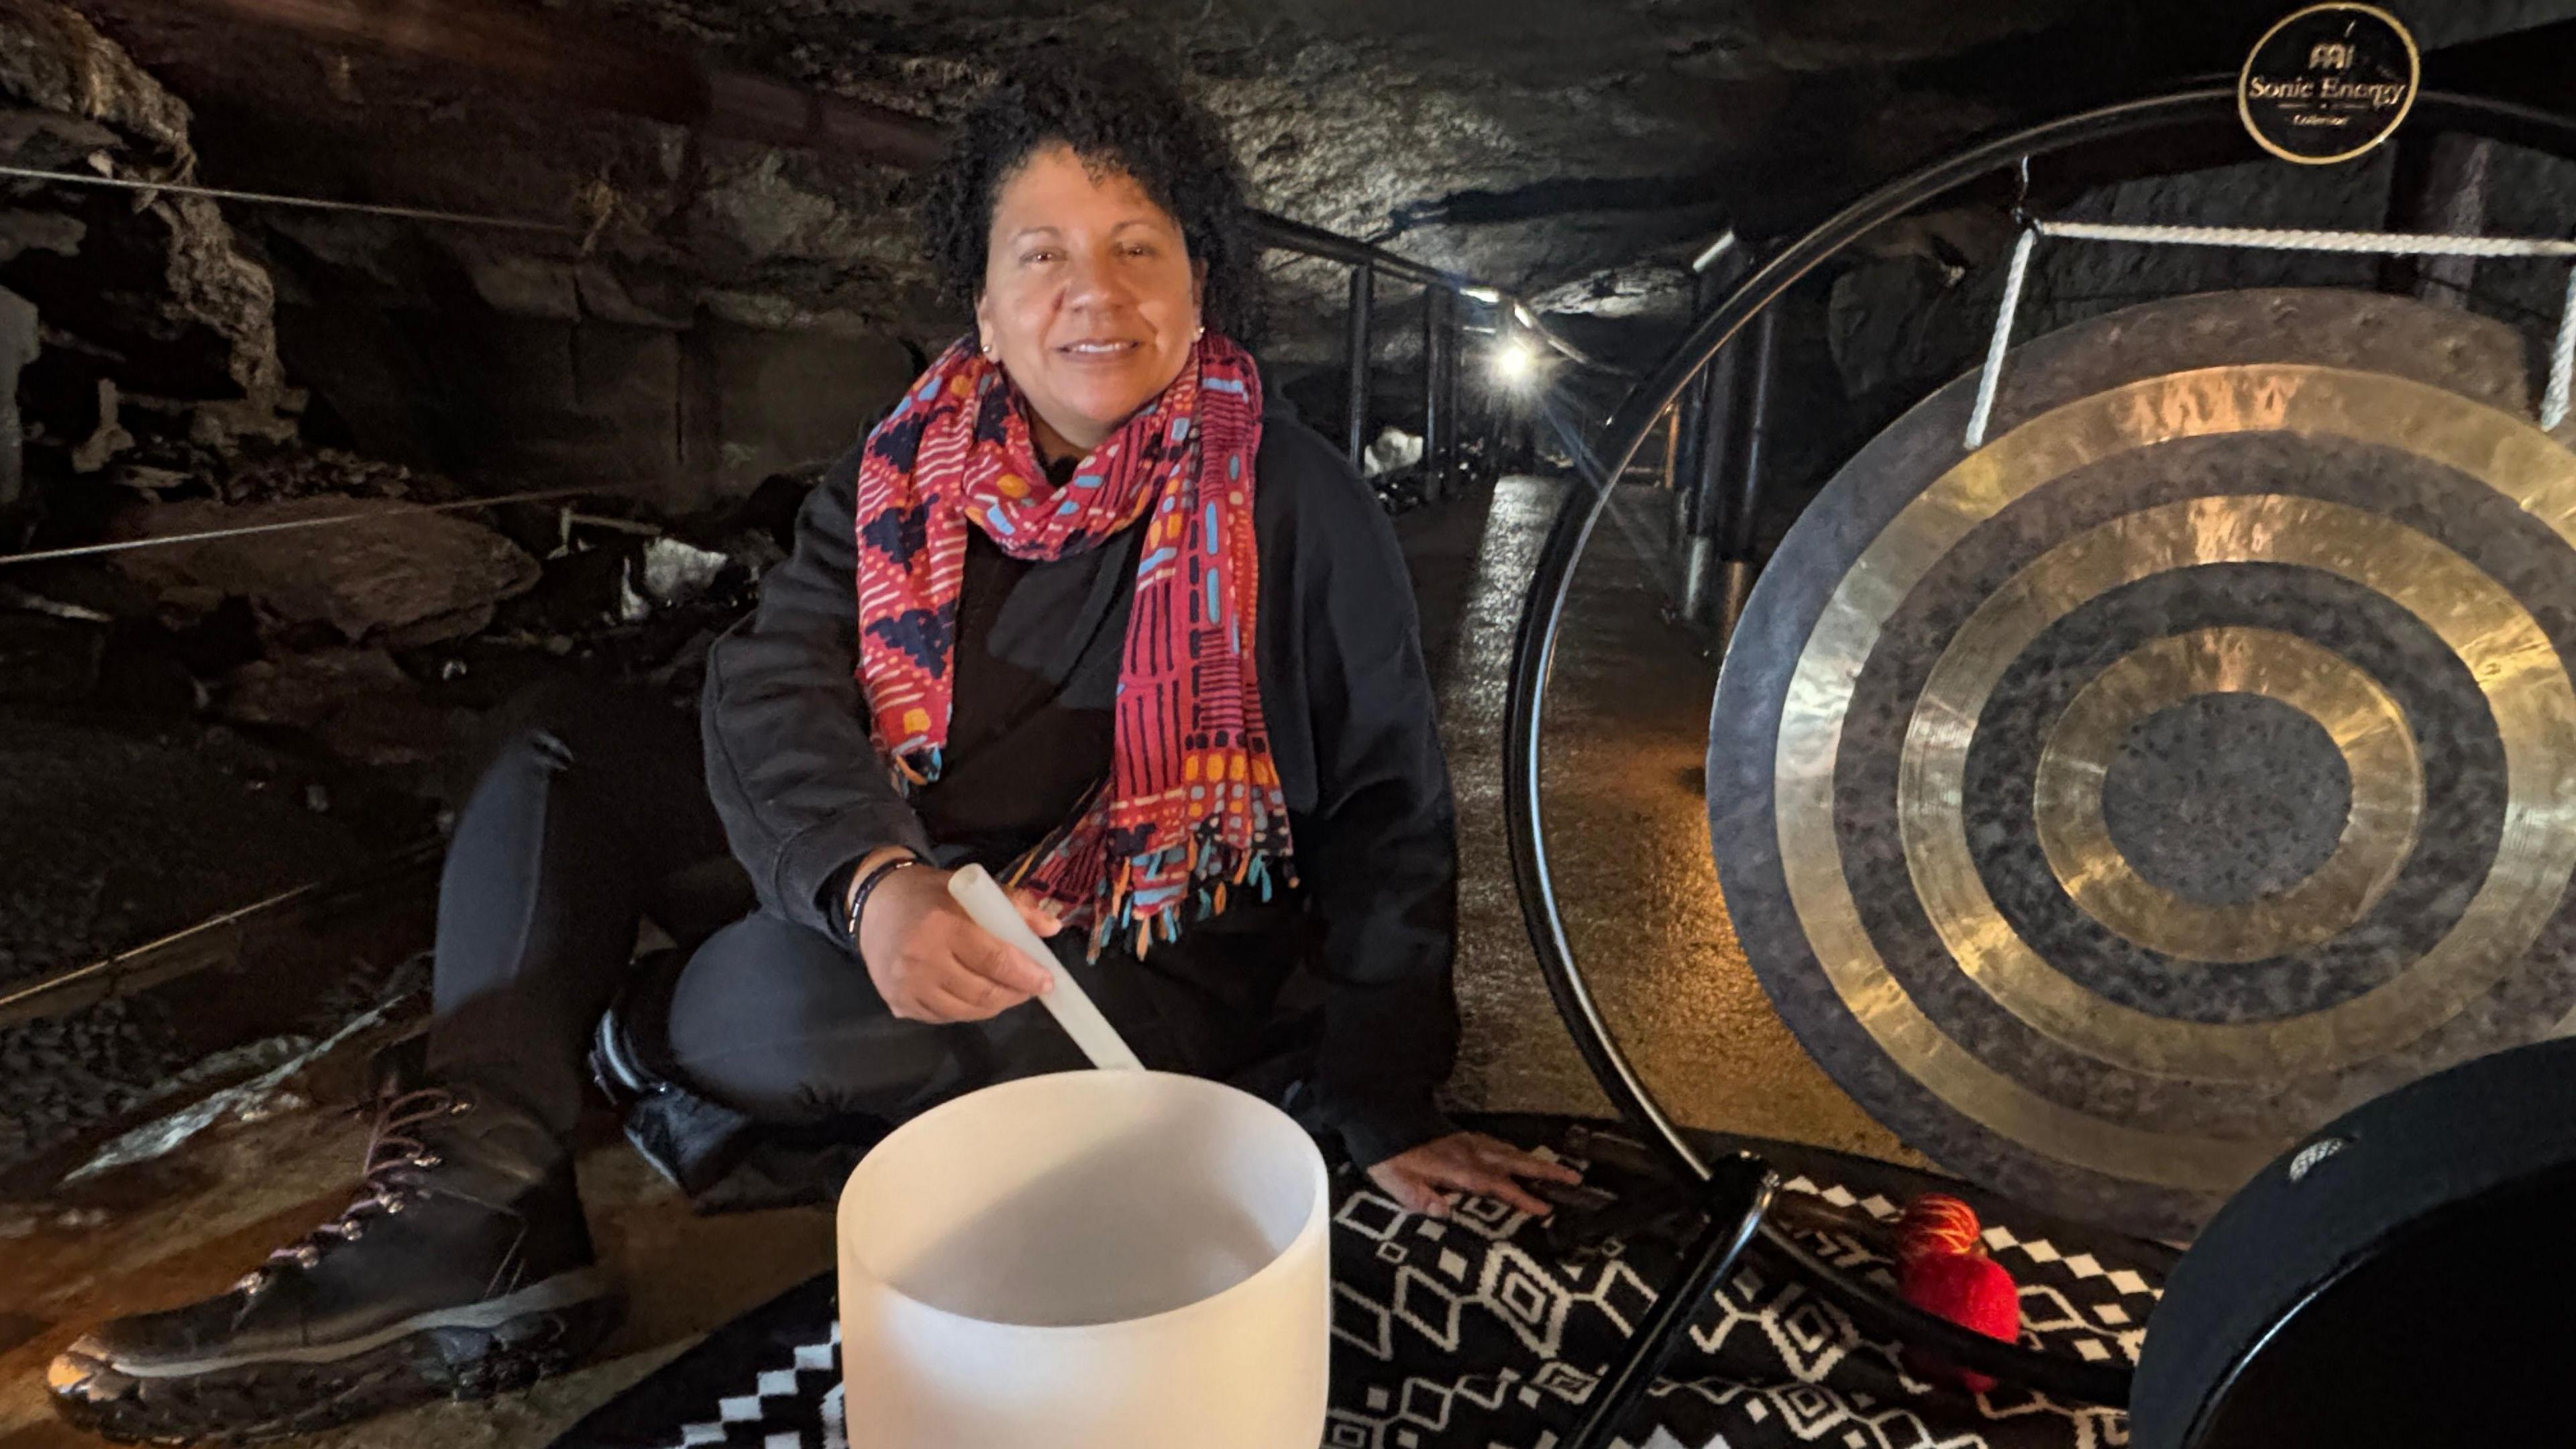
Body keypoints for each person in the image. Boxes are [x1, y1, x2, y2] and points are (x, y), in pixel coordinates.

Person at [48, 50, 1578, 1444]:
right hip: (908, 862)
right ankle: (480, 1216)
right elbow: (775, 672)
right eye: (1039, 254)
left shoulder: (1295, 498)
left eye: (1137, 249)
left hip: (1128, 942)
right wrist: (868, 880)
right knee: (554, 747)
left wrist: (1389, 1096)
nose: (1090, 294)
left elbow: (1388, 801)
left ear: (1201, 286)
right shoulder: (907, 463)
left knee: (747, 1008)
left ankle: (607, 1036)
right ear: (982, 303)